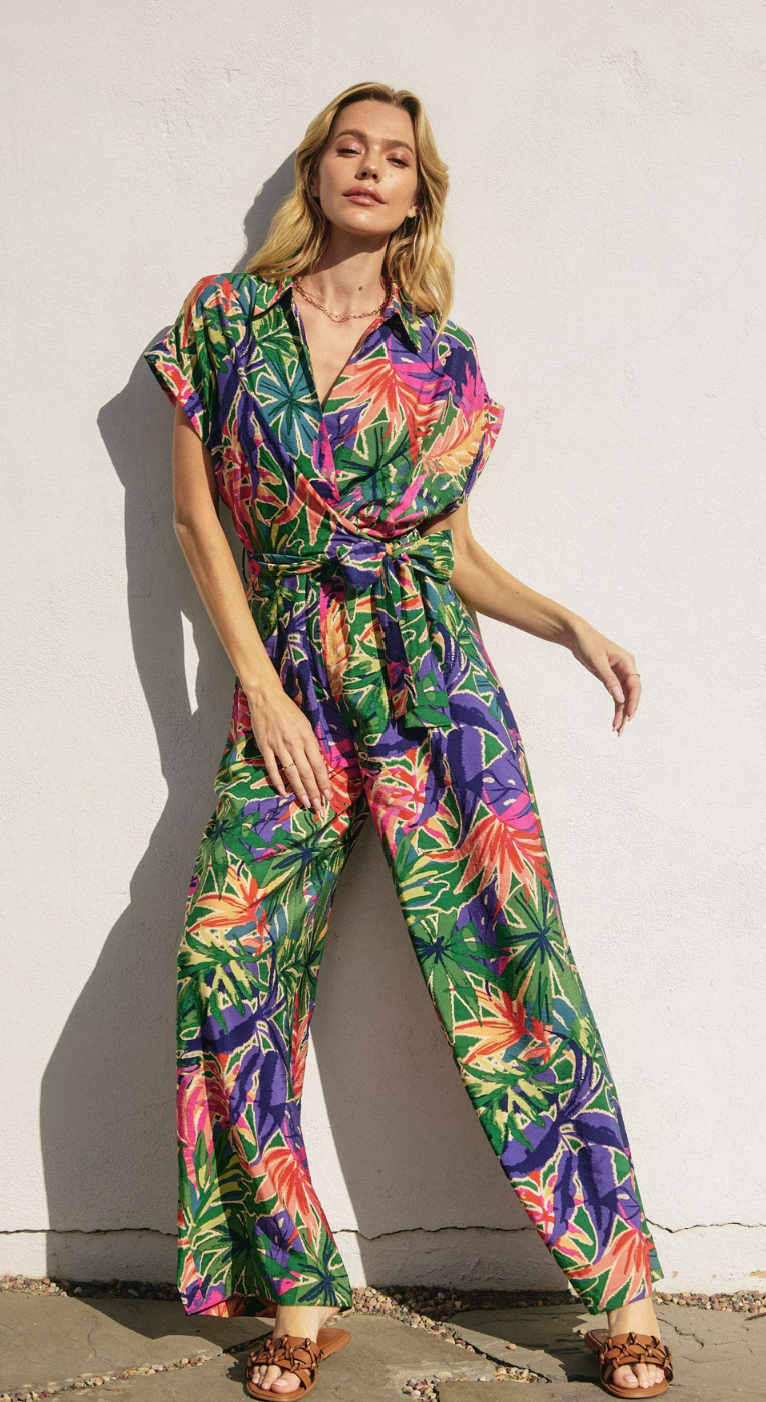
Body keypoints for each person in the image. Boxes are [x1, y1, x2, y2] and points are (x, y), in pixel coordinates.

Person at [143, 81, 673, 1400]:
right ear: (315, 171)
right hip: (291, 684)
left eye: (397, 157)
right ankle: (300, 1292)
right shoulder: (224, 320)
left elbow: (448, 551)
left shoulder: (441, 357)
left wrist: (566, 623)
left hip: (433, 677)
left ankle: (622, 1290)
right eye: (350, 147)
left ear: (418, 192)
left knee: (511, 959)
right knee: (225, 955)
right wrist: (259, 688)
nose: (371, 168)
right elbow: (196, 522)